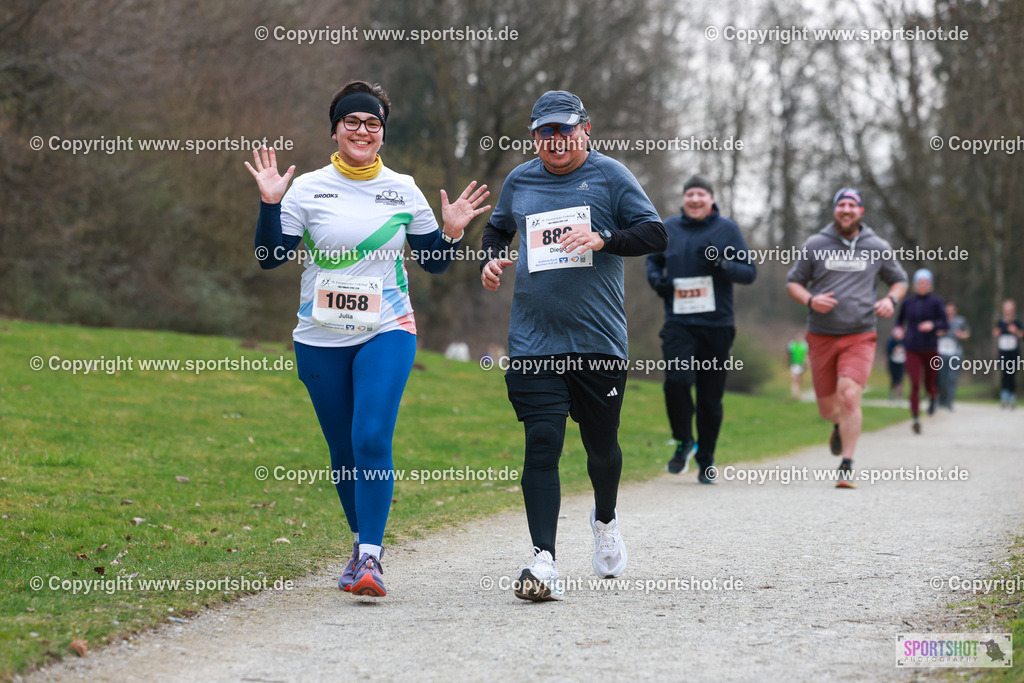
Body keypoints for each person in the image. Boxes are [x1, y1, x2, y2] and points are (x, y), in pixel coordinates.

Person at [246, 80, 490, 597]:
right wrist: (271, 204)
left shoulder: (403, 189)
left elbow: (434, 264)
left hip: (388, 329)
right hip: (319, 336)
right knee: (342, 450)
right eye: (352, 121)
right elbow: (269, 257)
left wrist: (450, 231)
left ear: (382, 133)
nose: (362, 130)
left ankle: (373, 560)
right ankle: (360, 546)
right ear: (335, 130)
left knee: (371, 438)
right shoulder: (307, 188)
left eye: (373, 123)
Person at [479, 90, 667, 601]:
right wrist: (489, 260)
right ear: (535, 134)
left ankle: (605, 519)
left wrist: (603, 238)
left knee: (601, 447)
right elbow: (496, 231)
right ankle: (543, 561)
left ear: (586, 127)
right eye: (545, 132)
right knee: (542, 443)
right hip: (534, 341)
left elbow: (655, 234)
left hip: (598, 342)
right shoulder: (520, 180)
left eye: (564, 130)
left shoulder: (610, 176)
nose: (555, 140)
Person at [785, 188, 907, 488]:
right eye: (841, 204)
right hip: (821, 336)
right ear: (835, 210)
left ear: (861, 211)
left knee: (850, 395)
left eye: (852, 205)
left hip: (859, 335)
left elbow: (900, 280)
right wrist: (811, 300)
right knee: (828, 409)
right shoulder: (815, 244)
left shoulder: (877, 246)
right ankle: (838, 426)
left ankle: (847, 465)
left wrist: (891, 300)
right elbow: (793, 283)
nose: (846, 209)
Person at [645, 176, 756, 482]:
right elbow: (652, 262)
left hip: (717, 324)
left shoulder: (727, 229)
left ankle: (706, 459)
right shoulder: (668, 228)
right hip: (679, 322)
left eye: (701, 195)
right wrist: (657, 282)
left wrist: (722, 264)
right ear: (683, 200)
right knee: (677, 381)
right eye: (690, 194)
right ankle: (684, 441)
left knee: (710, 398)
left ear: (711, 200)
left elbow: (749, 272)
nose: (695, 200)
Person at [892, 269, 947, 433]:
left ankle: (932, 396)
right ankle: (915, 417)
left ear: (930, 285)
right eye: (919, 282)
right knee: (915, 383)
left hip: (930, 347)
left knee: (930, 382)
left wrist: (933, 325)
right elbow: (899, 321)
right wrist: (897, 330)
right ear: (915, 285)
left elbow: (945, 324)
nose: (922, 285)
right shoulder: (908, 302)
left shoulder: (936, 302)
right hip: (912, 348)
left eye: (925, 282)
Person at [937, 301, 970, 410]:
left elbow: (967, 333)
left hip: (955, 354)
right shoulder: (939, 320)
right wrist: (939, 333)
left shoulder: (960, 321)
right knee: (941, 378)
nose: (949, 311)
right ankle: (940, 401)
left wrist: (961, 334)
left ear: (955, 310)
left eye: (951, 309)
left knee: (952, 378)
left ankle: (949, 401)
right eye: (947, 309)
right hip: (941, 353)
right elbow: (932, 332)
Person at [993, 299, 1023, 409]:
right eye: (1006, 309)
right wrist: (996, 333)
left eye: (1010, 309)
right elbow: (996, 333)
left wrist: (1015, 331)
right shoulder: (1000, 321)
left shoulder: (1017, 322)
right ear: (1004, 310)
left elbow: (1021, 335)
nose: (1008, 311)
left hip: (1014, 352)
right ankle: (1004, 397)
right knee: (1004, 374)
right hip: (1003, 352)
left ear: (1013, 310)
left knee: (1012, 374)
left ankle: (1012, 397)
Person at [886, 331, 906, 402]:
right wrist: (894, 350)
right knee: (893, 379)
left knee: (900, 379)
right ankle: (892, 395)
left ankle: (900, 396)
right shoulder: (892, 341)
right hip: (893, 362)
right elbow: (887, 351)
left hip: (901, 363)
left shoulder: (905, 341)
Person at [788, 333, 809, 400]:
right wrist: (788, 363)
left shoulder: (804, 345)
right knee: (794, 379)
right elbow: (788, 354)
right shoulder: (792, 344)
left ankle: (798, 391)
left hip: (801, 364)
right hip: (794, 363)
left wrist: (806, 363)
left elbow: (806, 354)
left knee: (799, 379)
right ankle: (795, 393)